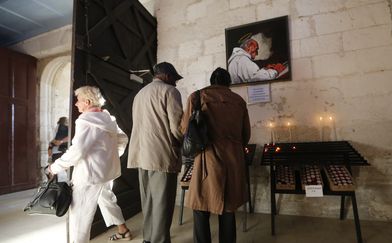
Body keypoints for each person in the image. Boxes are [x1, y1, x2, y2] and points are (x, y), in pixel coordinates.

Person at [47, 86, 132, 243]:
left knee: (79, 219)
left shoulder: (85, 120)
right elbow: (123, 139)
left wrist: (54, 167)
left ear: (87, 102)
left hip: (89, 176)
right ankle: (123, 231)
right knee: (107, 200)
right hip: (106, 173)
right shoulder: (108, 118)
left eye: (78, 101)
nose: (76, 104)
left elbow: (76, 151)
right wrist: (109, 157)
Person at [180, 67, 251, 243]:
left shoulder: (197, 97)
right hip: (233, 159)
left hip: (207, 157)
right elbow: (245, 135)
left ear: (212, 81)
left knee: (200, 206)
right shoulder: (239, 101)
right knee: (228, 208)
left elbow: (185, 129)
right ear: (228, 83)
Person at [127, 62, 184, 243]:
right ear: (167, 75)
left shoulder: (140, 94)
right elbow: (177, 128)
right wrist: (186, 142)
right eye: (174, 78)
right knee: (163, 203)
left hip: (141, 154)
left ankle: (148, 238)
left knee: (149, 201)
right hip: (161, 155)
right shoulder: (170, 91)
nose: (175, 82)